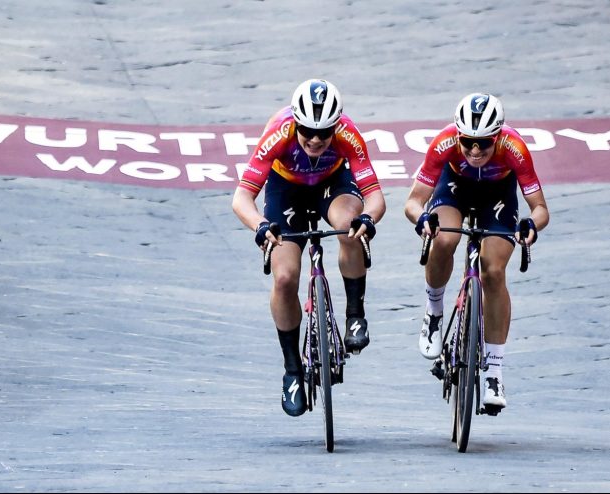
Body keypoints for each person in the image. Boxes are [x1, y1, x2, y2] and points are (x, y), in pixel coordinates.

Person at [232, 79, 386, 417]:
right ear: (295, 123)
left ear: (336, 125)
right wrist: (260, 225)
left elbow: (375, 196)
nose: (315, 139)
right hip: (285, 189)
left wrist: (369, 219)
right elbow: (242, 197)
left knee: (350, 227)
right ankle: (292, 371)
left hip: (332, 183)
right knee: (285, 278)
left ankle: (355, 314)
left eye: (324, 132)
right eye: (307, 131)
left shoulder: (348, 134)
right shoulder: (278, 133)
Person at [404, 93, 550, 410]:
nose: (474, 149)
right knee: (443, 240)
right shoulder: (443, 143)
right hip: (453, 187)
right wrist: (423, 218)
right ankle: (434, 311)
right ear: (458, 134)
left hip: (498, 195)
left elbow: (540, 209)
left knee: (494, 272)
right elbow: (413, 202)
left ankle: (494, 373)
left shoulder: (515, 148)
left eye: (483, 143)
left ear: (497, 136)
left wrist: (530, 226)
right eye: (468, 141)